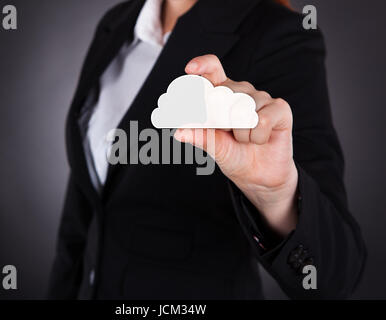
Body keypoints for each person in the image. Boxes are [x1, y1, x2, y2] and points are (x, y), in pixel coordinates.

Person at [48, 0, 366, 299]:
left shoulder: (279, 35)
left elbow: (334, 275)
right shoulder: (117, 22)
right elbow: (83, 204)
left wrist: (276, 194)